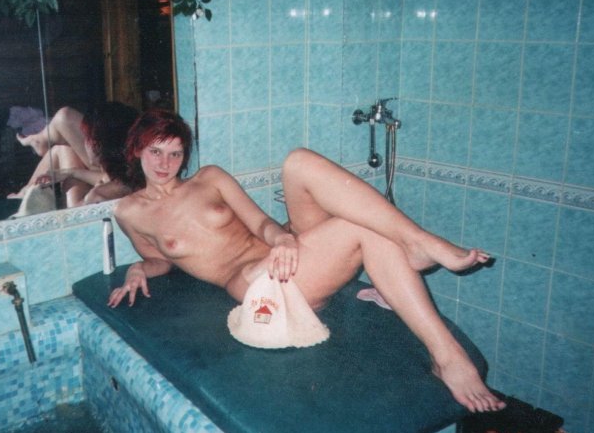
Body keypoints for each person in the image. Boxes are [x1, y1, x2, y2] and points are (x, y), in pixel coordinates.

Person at [108, 110, 505, 414]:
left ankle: (414, 242)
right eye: (155, 151)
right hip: (255, 281)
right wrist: (139, 268)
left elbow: (260, 223)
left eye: (175, 153)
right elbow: (161, 260)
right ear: (137, 150)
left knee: (298, 162)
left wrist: (282, 238)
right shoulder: (130, 213)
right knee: (363, 228)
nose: (165, 162)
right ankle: (448, 356)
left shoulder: (209, 178)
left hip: (283, 249)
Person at [11, 103, 140, 207]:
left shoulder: (99, 195)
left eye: (86, 138)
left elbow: (76, 216)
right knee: (61, 145)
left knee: (62, 146)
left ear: (96, 145)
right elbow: (109, 179)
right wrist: (70, 172)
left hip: (78, 211)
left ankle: (25, 196)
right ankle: (26, 192)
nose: (83, 142)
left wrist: (93, 191)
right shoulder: (128, 172)